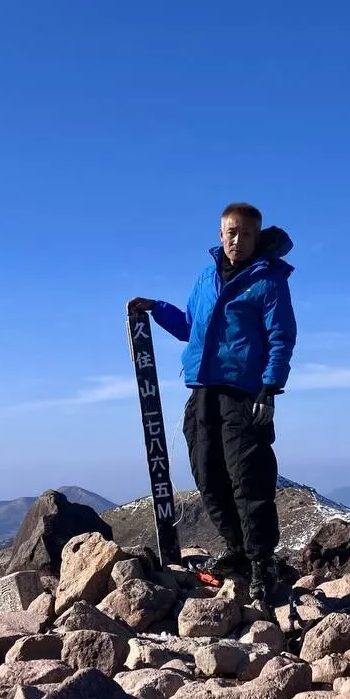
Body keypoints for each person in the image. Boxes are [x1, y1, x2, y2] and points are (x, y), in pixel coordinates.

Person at [128, 202, 297, 601]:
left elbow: (280, 337)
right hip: (202, 391)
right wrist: (156, 309)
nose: (238, 240)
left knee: (248, 479)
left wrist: (270, 389)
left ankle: (260, 564)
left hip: (244, 395)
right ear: (221, 234)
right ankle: (235, 551)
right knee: (208, 475)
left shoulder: (269, 280)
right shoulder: (206, 277)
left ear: (258, 237)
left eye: (246, 234)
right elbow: (190, 327)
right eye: (231, 232)